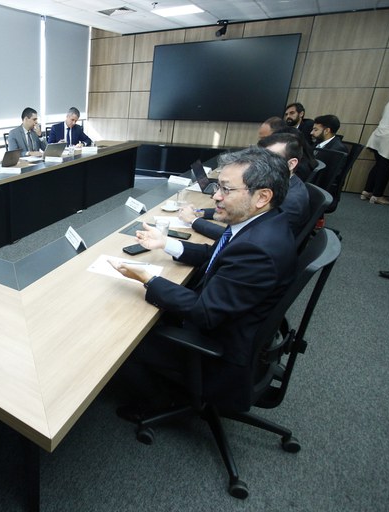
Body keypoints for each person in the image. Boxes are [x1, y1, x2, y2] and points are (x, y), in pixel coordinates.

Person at [113, 147, 296, 415]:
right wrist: (167, 244)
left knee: (124, 334)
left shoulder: (258, 250)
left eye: (226, 190)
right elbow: (217, 256)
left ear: (262, 196)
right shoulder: (265, 224)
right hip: (235, 321)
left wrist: (148, 278)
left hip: (219, 348)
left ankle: (156, 401)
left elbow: (204, 312)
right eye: (217, 187)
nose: (216, 197)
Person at [179, 134, 310, 240]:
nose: (260, 162)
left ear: (291, 164)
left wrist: (194, 220)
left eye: (271, 157)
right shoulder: (281, 183)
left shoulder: (292, 200)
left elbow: (238, 236)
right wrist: (201, 213)